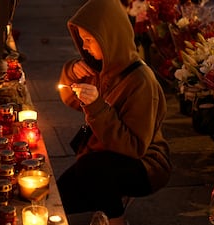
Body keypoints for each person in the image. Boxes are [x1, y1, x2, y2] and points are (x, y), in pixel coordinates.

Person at [57, 0, 172, 224]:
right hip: (103, 155)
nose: (85, 45)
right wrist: (72, 72)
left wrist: (96, 106)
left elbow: (133, 147)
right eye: (81, 39)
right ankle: (105, 198)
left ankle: (116, 220)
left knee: (93, 168)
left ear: (109, 37)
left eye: (89, 40)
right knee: (60, 197)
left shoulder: (141, 81)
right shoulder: (101, 67)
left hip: (145, 165)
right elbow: (70, 98)